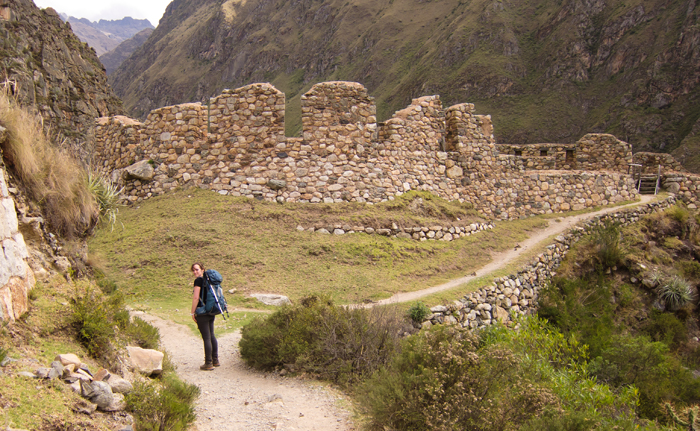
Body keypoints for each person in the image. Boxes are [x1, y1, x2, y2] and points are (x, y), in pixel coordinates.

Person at [190, 262, 219, 370]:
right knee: (211, 335)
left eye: (197, 269)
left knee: (206, 337)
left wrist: (192, 312)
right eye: (193, 270)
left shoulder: (199, 281)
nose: (195, 272)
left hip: (202, 312)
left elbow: (196, 298)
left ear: (203, 269)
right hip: (211, 310)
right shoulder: (210, 281)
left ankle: (208, 363)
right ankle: (215, 360)